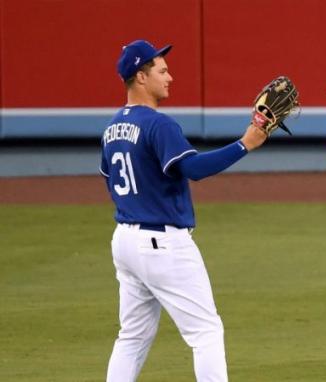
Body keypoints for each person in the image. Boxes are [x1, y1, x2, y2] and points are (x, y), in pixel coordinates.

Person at [100, 39, 267, 382]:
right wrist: (244, 144)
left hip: (125, 241)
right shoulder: (158, 125)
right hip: (162, 244)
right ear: (141, 77)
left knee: (131, 337)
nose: (170, 77)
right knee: (206, 332)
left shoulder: (112, 127)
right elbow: (194, 169)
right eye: (161, 70)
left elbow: (109, 178)